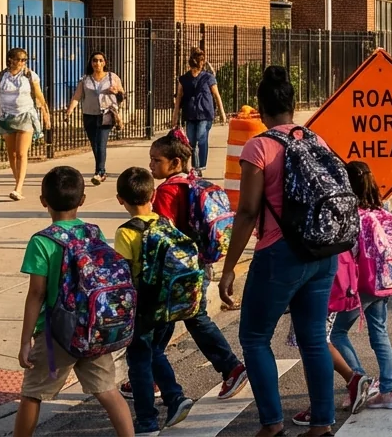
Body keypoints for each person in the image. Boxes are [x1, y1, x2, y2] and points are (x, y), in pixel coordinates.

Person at [217, 67, 336, 437]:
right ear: (294, 104)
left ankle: (272, 424)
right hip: (322, 250)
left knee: (254, 338)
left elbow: (249, 210)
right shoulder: (317, 139)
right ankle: (322, 425)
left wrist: (229, 266)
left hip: (278, 253)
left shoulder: (259, 146)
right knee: (314, 338)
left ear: (262, 110)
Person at [14, 167, 134, 437]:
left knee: (32, 395)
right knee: (108, 391)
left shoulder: (42, 242)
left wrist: (25, 341)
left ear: (43, 200)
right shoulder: (93, 232)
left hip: (55, 334)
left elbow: (36, 294)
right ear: (83, 199)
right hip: (93, 329)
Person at [140, 130, 248, 402]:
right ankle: (151, 374)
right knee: (177, 320)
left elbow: (162, 232)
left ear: (175, 162)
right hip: (196, 264)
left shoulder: (166, 191)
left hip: (175, 272)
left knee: (184, 320)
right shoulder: (192, 182)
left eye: (156, 160)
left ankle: (231, 367)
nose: (151, 165)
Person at [294, 161, 392, 424]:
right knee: (380, 333)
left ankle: (360, 380)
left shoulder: (351, 213)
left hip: (359, 284)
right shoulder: (381, 207)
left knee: (335, 333)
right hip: (384, 281)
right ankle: (390, 389)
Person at [114, 167, 195, 435]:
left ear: (119, 199)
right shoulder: (165, 223)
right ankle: (174, 398)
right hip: (170, 305)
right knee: (155, 352)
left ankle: (148, 418)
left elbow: (125, 274)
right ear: (153, 194)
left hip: (144, 308)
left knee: (138, 360)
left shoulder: (126, 232)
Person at [64, 52, 124, 186]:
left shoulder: (112, 77)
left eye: (100, 60)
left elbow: (122, 96)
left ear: (105, 63)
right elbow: (77, 96)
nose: (97, 63)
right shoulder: (85, 79)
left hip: (107, 114)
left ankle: (100, 172)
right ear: (91, 63)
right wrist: (70, 110)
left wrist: (116, 92)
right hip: (89, 115)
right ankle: (101, 170)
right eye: (95, 61)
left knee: (101, 142)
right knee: (94, 144)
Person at [0, 48, 52, 201]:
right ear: (10, 60)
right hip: (7, 116)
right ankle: (18, 181)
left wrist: (45, 113)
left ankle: (18, 187)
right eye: (19, 59)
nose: (22, 63)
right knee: (12, 153)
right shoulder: (2, 76)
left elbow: (39, 95)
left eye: (24, 60)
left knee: (22, 153)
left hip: (25, 115)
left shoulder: (29, 75)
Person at [174, 48, 226, 175]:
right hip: (190, 113)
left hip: (205, 113)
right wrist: (175, 118)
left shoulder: (208, 78)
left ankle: (200, 167)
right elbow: (179, 98)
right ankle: (195, 167)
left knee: (201, 139)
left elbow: (216, 95)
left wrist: (222, 113)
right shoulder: (184, 79)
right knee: (191, 141)